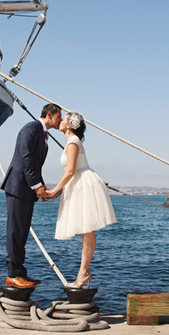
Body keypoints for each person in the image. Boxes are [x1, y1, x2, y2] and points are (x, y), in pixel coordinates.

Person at [45, 111, 116, 288]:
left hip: (83, 185)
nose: (60, 120)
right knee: (87, 230)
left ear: (69, 125)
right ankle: (83, 273)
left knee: (87, 230)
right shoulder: (72, 142)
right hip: (80, 184)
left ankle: (83, 273)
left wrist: (53, 191)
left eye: (64, 118)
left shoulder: (73, 142)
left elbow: (70, 172)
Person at [1, 103, 62, 289]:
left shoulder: (43, 135)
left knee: (22, 232)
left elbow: (35, 164)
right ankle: (12, 274)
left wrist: (41, 186)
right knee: (15, 231)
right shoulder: (31, 128)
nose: (60, 120)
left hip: (27, 189)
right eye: (59, 116)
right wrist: (37, 187)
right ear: (49, 115)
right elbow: (25, 157)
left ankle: (20, 273)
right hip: (18, 187)